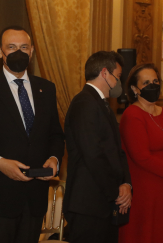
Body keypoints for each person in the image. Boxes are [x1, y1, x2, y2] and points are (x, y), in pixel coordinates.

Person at [0, 26, 65, 243]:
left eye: (24, 47)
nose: (18, 52)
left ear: (31, 52)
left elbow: (56, 135)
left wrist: (54, 159)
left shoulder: (46, 89)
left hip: (34, 202)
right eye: (11, 47)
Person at [63, 51, 132, 243]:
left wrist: (126, 183)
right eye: (117, 76)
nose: (119, 82)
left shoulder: (100, 104)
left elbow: (117, 151)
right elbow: (92, 154)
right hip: (89, 205)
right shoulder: (84, 102)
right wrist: (116, 191)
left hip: (103, 202)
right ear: (104, 73)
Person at [119, 63, 163, 243]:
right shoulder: (132, 115)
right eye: (146, 83)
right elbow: (142, 157)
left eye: (155, 81)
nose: (152, 85)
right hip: (146, 189)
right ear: (135, 89)